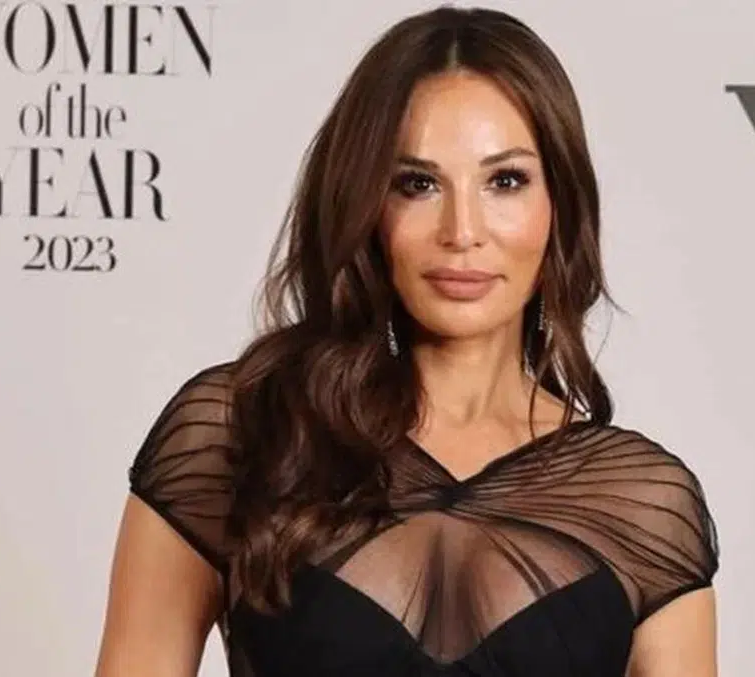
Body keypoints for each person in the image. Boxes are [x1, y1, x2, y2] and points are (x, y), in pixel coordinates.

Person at [93, 5, 720, 676]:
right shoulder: (240, 429)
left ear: (558, 206)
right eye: (417, 184)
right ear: (366, 206)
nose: (463, 230)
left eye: (505, 180)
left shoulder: (645, 504)